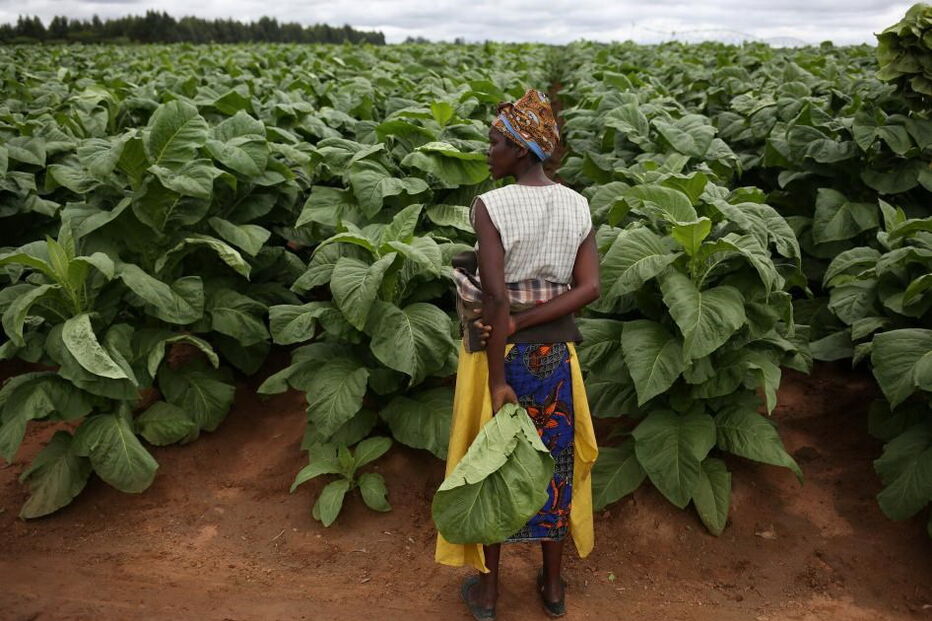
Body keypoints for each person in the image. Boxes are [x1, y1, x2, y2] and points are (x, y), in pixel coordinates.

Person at [434, 89, 601, 620]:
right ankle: (552, 588)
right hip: (555, 356)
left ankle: (487, 593)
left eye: (497, 142)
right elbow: (589, 287)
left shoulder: (492, 205)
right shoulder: (577, 204)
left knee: (494, 465)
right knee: (550, 464)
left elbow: (499, 295)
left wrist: (500, 369)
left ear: (523, 150)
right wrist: (535, 322)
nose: (488, 151)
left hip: (499, 356)